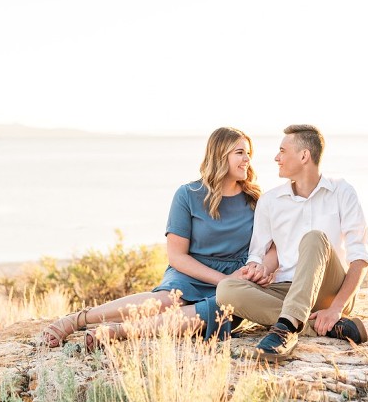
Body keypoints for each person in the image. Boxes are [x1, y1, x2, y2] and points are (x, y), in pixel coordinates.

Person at [39, 126, 276, 350]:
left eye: (248, 154)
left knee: (210, 311)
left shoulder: (256, 200)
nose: (247, 159)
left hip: (235, 279)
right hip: (191, 272)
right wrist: (223, 280)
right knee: (167, 301)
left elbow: (272, 247)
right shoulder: (188, 195)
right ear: (220, 155)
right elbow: (177, 257)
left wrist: (256, 272)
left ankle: (118, 331)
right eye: (240, 153)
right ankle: (77, 320)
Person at [216, 124, 368, 362]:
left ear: (304, 156)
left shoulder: (342, 191)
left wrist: (336, 308)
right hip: (286, 290)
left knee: (314, 238)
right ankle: (317, 326)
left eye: (282, 151)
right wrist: (259, 269)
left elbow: (360, 258)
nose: (276, 158)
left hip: (329, 291)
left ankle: (285, 330)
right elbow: (257, 255)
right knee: (226, 290)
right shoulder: (270, 201)